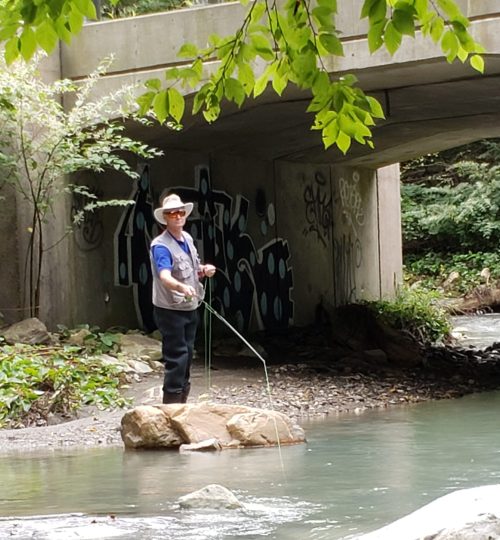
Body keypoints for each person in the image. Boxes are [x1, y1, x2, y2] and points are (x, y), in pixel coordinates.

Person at [150, 193, 216, 404]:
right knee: (176, 356)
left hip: (189, 307)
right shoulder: (160, 246)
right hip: (170, 310)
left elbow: (191, 270)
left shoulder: (187, 238)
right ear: (165, 218)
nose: (177, 216)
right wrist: (181, 287)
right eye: (172, 214)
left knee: (187, 354)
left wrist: (204, 270)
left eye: (180, 212)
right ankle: (171, 405)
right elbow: (165, 277)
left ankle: (182, 401)